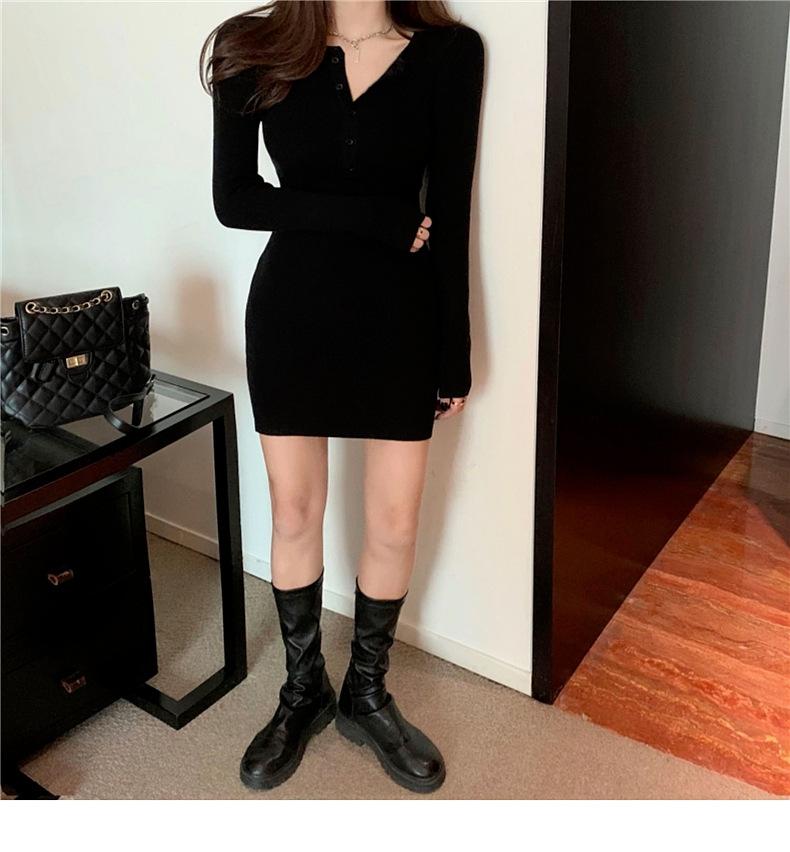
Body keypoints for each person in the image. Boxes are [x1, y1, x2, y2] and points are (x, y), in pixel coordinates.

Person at [203, 0, 484, 794]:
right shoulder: (252, 45)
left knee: (394, 523)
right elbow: (236, 199)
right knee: (294, 513)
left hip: (402, 318)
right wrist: (373, 220)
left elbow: (451, 209)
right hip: (292, 315)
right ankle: (304, 691)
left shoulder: (449, 53)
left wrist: (455, 354)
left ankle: (366, 692)